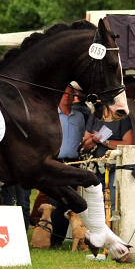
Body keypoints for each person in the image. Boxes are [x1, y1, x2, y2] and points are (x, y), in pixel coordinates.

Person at [49, 84, 86, 247]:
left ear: (74, 97)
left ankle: (59, 239)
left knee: (69, 201)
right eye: (64, 93)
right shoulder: (51, 115)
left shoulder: (79, 116)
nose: (67, 96)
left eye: (71, 94)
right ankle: (52, 237)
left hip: (73, 164)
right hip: (56, 162)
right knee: (55, 200)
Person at [82, 113, 132, 211]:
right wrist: (95, 139)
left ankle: (111, 226)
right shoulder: (94, 116)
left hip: (115, 168)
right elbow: (85, 145)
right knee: (96, 204)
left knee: (113, 203)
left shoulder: (123, 117)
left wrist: (105, 142)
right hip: (96, 169)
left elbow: (128, 144)